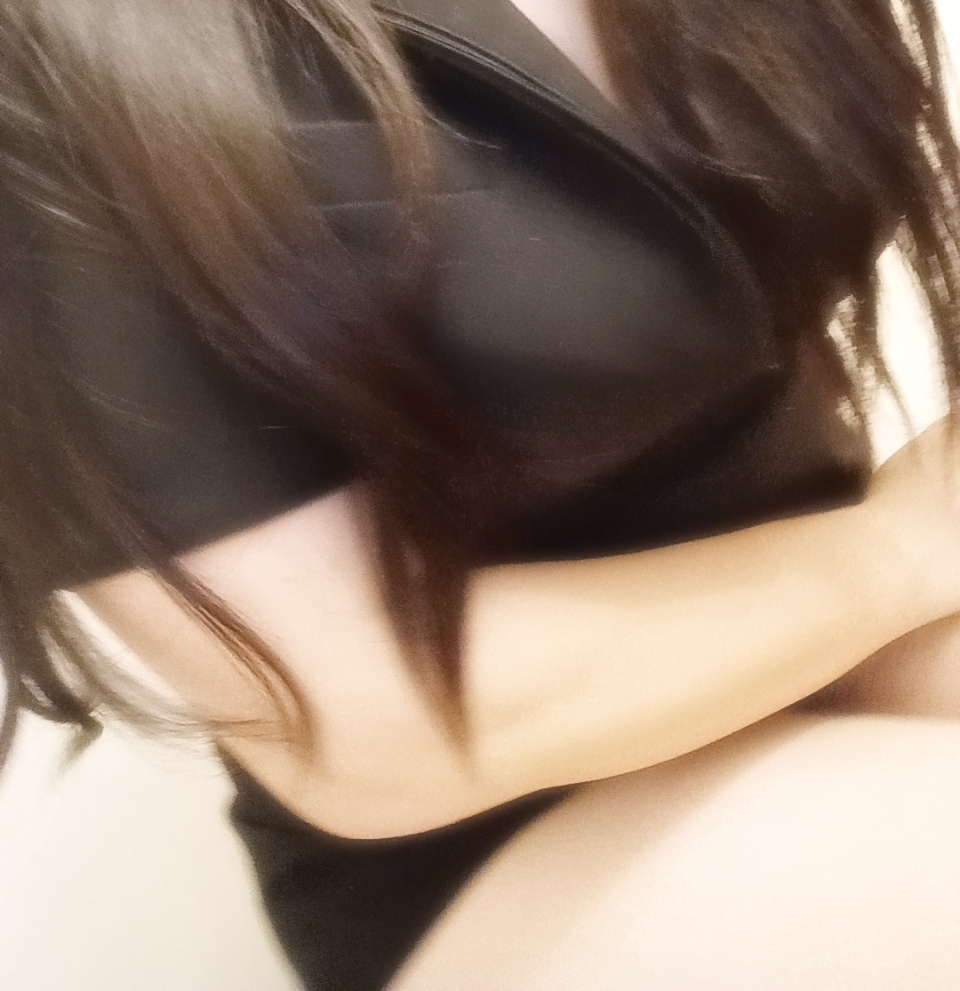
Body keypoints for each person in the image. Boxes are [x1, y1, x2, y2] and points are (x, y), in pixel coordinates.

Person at [1, 0, 960, 987]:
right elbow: (372, 728)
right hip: (485, 815)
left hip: (814, 625)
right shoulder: (49, 71)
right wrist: (901, 552)